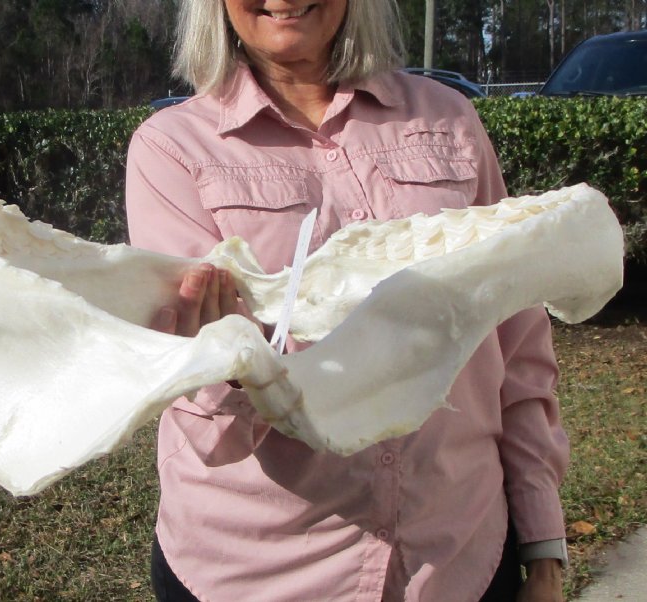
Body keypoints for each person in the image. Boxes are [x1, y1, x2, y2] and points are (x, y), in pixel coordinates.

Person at [125, 1, 569, 600]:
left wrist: (543, 544)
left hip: (458, 555)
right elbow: (201, 417)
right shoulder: (172, 149)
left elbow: (518, 339)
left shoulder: (449, 120)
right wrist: (225, 370)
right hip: (257, 572)